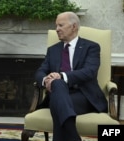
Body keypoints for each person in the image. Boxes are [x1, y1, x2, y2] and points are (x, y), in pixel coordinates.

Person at [35, 11, 108, 141]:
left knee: (58, 103)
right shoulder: (53, 50)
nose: (57, 29)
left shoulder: (91, 47)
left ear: (73, 27)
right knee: (57, 85)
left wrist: (61, 76)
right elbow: (40, 72)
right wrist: (46, 80)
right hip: (58, 93)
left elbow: (89, 71)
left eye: (60, 25)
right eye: (56, 26)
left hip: (83, 96)